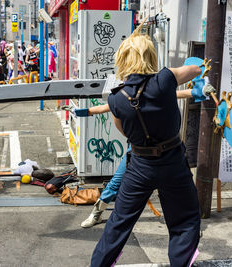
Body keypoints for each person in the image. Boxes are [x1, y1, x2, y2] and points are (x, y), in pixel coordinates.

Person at [90, 23, 202, 267]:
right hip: (173, 163)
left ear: (123, 59)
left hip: (140, 165)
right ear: (151, 56)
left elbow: (123, 131)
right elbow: (195, 68)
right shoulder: (165, 80)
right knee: (185, 219)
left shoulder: (116, 97)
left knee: (119, 221)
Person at [78, 81, 214, 228]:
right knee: (116, 183)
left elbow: (179, 94)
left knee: (178, 188)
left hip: (166, 152)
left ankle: (189, 227)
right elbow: (104, 108)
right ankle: (96, 213)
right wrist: (83, 112)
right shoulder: (125, 97)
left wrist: (199, 92)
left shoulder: (155, 93)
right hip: (138, 151)